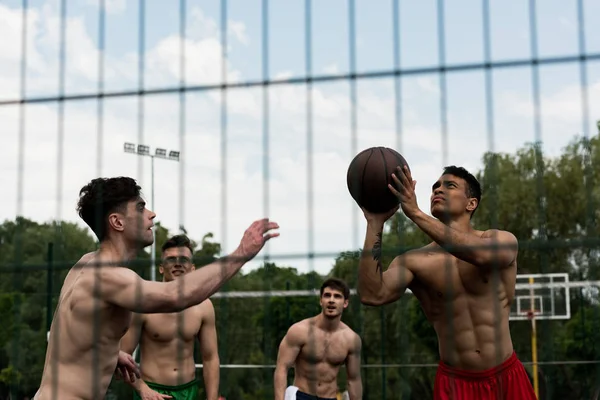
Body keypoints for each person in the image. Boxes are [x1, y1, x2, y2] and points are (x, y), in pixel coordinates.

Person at [33, 177, 279, 400]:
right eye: (140, 208)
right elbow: (174, 296)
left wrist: (109, 352)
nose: (151, 214)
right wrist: (241, 254)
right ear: (117, 222)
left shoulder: (86, 262)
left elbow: (68, 331)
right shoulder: (109, 276)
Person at [356, 165, 536, 399]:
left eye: (449, 185)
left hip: (506, 376)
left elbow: (481, 256)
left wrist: (416, 213)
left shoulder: (499, 239)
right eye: (435, 187)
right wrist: (374, 223)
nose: (438, 190)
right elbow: (372, 295)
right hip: (455, 384)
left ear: (471, 203)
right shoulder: (414, 261)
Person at [120, 234, 220, 400]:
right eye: (171, 259)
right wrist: (143, 389)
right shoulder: (143, 304)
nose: (178, 264)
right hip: (152, 392)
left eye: (183, 259)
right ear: (161, 268)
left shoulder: (204, 306)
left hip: (188, 392)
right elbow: (123, 355)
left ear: (193, 268)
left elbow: (210, 358)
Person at [274, 278, 362, 400]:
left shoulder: (351, 339)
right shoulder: (299, 331)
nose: (331, 300)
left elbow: (354, 380)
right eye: (327, 295)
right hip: (302, 396)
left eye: (337, 296)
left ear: (345, 303)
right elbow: (282, 368)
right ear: (321, 301)